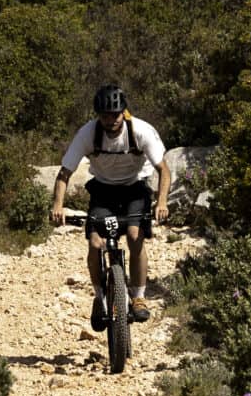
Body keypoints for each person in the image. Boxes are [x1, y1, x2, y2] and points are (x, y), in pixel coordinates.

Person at [48, 83, 170, 328]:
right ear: (98, 115)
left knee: (135, 236)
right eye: (105, 115)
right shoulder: (88, 134)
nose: (111, 120)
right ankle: (100, 296)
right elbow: (64, 173)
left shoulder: (141, 131)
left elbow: (163, 170)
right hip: (103, 190)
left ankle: (138, 297)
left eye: (115, 115)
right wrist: (57, 205)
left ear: (123, 112)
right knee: (95, 243)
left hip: (135, 187)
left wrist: (162, 202)